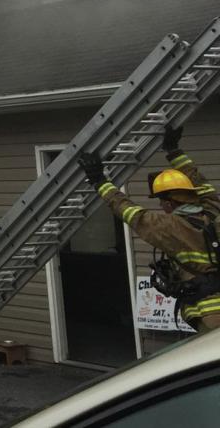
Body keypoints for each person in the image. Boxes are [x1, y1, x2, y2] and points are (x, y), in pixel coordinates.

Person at [79, 125, 220, 332]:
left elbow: (128, 211)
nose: (161, 207)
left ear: (170, 204)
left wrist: (99, 181)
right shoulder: (213, 211)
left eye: (162, 202)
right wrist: (174, 150)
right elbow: (201, 184)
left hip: (209, 313)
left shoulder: (168, 226)